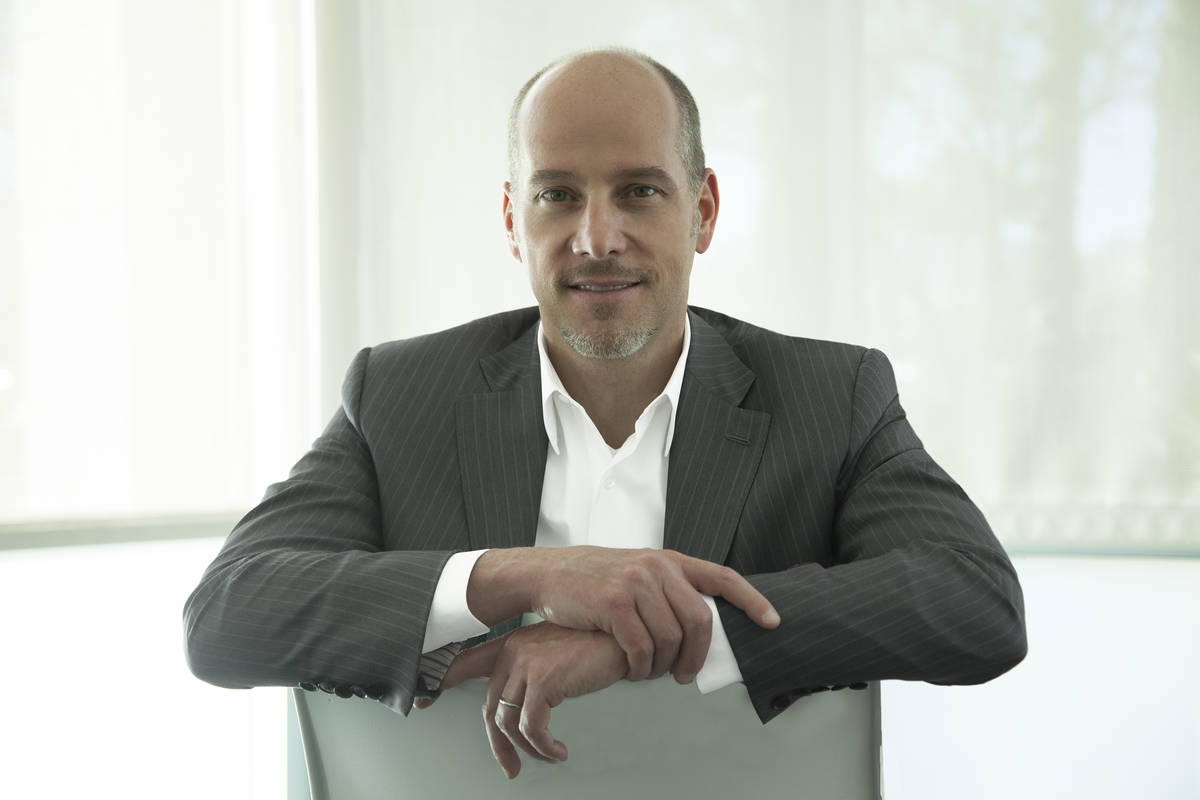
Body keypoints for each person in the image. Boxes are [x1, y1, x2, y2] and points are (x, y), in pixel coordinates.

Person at [184, 47, 1027, 780]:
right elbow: (228, 613)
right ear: (512, 220)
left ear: (702, 211)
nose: (596, 237)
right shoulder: (400, 394)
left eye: (639, 191)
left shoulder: (832, 397)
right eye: (557, 194)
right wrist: (525, 576)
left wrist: (642, 638)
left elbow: (975, 601)